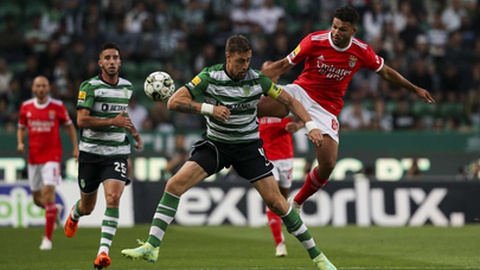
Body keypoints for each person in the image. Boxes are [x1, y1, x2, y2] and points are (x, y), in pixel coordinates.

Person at [121, 35, 337, 270]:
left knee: (278, 203)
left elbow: (292, 102)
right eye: (241, 61)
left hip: (248, 147)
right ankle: (152, 247)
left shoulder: (258, 80)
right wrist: (209, 109)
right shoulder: (209, 76)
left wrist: (311, 125)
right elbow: (174, 102)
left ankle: (317, 256)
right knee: (174, 185)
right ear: (228, 57)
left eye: (248, 61)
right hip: (217, 145)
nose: (245, 66)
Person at [258, 5, 435, 213]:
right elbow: (284, 65)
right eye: (334, 27)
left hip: (326, 108)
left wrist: (414, 89)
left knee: (328, 164)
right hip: (301, 92)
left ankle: (296, 203)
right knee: (257, 108)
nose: (336, 32)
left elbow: (386, 73)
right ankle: (224, 135)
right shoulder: (314, 41)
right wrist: (260, 76)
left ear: (353, 31)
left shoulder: (361, 51)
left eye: (342, 29)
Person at [63, 42, 143, 270]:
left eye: (115, 57)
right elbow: (82, 120)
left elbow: (122, 115)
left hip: (116, 152)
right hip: (90, 153)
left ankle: (103, 252)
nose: (111, 61)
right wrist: (112, 122)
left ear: (120, 61)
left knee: (113, 198)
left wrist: (134, 133)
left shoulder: (127, 87)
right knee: (88, 206)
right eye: (107, 58)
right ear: (100, 62)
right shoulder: (89, 87)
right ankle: (75, 214)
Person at [17, 75, 79, 250]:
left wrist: (76, 147)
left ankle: (47, 239)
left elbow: (69, 126)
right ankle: (54, 210)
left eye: (44, 85)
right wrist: (20, 143)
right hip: (34, 158)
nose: (41, 89)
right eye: (38, 86)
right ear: (33, 88)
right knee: (38, 200)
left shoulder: (58, 106)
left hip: (52, 156)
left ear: (49, 88)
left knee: (49, 192)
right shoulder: (26, 107)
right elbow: (21, 128)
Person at [258, 61, 303, 257]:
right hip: (266, 156)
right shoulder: (255, 98)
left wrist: (299, 126)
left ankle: (285, 224)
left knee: (282, 202)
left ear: (276, 76)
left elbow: (304, 115)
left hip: (286, 157)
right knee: (273, 200)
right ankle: (279, 244)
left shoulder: (284, 97)